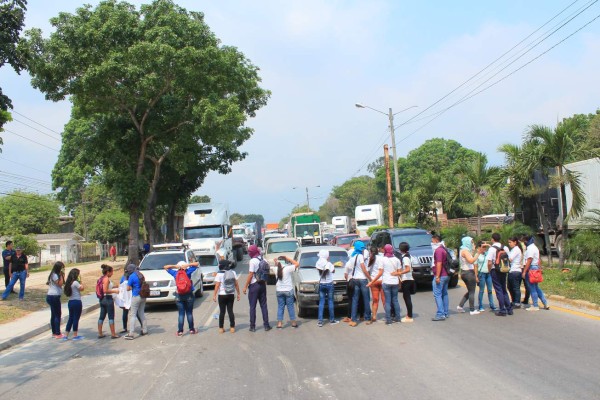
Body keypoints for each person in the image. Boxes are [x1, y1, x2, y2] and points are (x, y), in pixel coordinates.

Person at [165, 260, 199, 336]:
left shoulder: (175, 273)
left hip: (179, 295)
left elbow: (165, 267)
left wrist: (175, 266)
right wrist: (187, 265)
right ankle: (191, 330)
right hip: (189, 295)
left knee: (181, 314)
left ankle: (180, 331)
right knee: (189, 313)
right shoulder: (188, 272)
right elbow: (197, 264)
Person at [370, 244, 401, 325]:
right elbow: (399, 272)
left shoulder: (383, 260)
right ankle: (398, 318)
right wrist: (399, 283)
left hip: (386, 282)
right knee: (395, 300)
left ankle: (388, 320)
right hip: (395, 282)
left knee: (386, 301)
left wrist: (372, 281)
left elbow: (380, 273)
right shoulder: (397, 260)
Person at [243, 245, 271, 332]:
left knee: (252, 307)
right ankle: (266, 325)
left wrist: (245, 286)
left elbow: (251, 274)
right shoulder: (263, 259)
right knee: (263, 305)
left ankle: (252, 326)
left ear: (252, 252)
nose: (248, 253)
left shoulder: (252, 261)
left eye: (249, 251)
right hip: (262, 284)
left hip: (254, 286)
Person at [522, 235, 549, 311]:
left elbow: (529, 260)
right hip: (536, 268)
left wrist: (524, 271)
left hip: (531, 268)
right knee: (536, 287)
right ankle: (545, 303)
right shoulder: (535, 247)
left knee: (532, 287)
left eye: (525, 240)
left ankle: (535, 305)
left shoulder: (530, 249)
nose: (524, 242)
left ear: (527, 241)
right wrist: (540, 268)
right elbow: (539, 259)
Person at [348, 241, 372, 327]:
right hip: (362, 279)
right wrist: (370, 279)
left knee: (355, 299)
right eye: (362, 248)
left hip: (355, 279)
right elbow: (364, 269)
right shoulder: (360, 256)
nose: (363, 250)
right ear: (359, 248)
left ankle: (353, 319)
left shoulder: (352, 256)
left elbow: (349, 268)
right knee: (366, 299)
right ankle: (368, 318)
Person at [488, 233, 512, 316]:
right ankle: (509, 309)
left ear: (492, 239)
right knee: (504, 289)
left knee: (498, 290)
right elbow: (509, 259)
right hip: (504, 270)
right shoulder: (505, 247)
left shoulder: (491, 249)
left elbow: (489, 262)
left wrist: (489, 270)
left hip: (495, 270)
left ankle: (502, 310)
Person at [213, 259, 240, 333]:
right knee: (230, 311)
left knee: (222, 312)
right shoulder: (233, 272)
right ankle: (232, 327)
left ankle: (221, 328)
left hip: (222, 295)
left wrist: (214, 295)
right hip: (231, 294)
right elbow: (236, 284)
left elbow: (217, 285)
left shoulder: (219, 274)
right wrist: (238, 293)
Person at [456, 236, 481, 315]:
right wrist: (478, 253)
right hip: (469, 273)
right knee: (472, 292)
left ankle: (460, 306)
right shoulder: (465, 251)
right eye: (471, 242)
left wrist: (473, 251)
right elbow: (471, 261)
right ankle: (472, 310)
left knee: (470, 291)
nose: (473, 243)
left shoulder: (463, 250)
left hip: (464, 272)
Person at [274, 255, 299, 329]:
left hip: (279, 291)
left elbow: (275, 266)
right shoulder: (288, 268)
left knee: (280, 307)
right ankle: (293, 323)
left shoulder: (275, 269)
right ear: (285, 261)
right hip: (288, 290)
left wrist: (275, 262)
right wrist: (288, 258)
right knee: (290, 306)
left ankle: (279, 323)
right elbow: (297, 264)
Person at [125, 264, 148, 339]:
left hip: (136, 296)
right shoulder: (140, 274)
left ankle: (131, 333)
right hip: (143, 296)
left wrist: (132, 287)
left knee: (133, 314)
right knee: (141, 313)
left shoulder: (132, 276)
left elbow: (128, 288)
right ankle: (144, 330)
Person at [316, 250, 338, 327]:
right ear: (327, 256)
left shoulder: (318, 263)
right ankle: (332, 320)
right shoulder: (329, 264)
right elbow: (333, 271)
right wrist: (331, 265)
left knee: (321, 302)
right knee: (330, 301)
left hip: (321, 284)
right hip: (329, 284)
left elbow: (320, 271)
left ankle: (320, 321)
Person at [98, 264, 120, 339]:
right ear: (108, 272)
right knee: (111, 316)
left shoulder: (101, 278)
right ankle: (113, 334)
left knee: (102, 316)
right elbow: (105, 290)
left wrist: (115, 286)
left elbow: (106, 287)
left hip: (102, 299)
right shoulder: (106, 279)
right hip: (108, 299)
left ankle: (100, 333)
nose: (112, 273)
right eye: (111, 272)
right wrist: (114, 291)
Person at [431, 235, 450, 321]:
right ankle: (445, 312)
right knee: (444, 294)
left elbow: (439, 263)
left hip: (441, 275)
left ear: (435, 240)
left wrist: (437, 276)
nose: (431, 243)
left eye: (432, 241)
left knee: (437, 294)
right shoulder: (444, 249)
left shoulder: (438, 250)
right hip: (446, 275)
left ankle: (440, 314)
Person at [63, 268, 84, 340]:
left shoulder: (69, 283)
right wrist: (80, 281)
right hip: (77, 301)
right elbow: (82, 288)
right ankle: (75, 335)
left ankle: (66, 334)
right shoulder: (75, 283)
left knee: (71, 318)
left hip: (70, 302)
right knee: (76, 318)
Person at [46, 261, 65, 339]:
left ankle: (54, 332)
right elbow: (60, 284)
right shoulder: (54, 275)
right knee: (57, 314)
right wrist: (61, 275)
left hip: (52, 296)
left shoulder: (54, 274)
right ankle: (57, 333)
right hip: (54, 296)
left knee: (54, 315)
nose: (63, 270)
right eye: (62, 268)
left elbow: (63, 283)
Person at [476, 241, 496, 312]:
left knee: (490, 290)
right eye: (483, 247)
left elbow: (492, 248)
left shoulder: (487, 254)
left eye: (485, 247)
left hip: (488, 274)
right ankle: (480, 305)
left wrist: (487, 244)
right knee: (481, 290)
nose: (484, 248)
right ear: (479, 247)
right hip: (481, 274)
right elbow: (475, 266)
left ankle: (492, 305)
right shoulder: (477, 255)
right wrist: (476, 276)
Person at [397, 242, 415, 322]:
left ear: (400, 249)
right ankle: (409, 315)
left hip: (406, 279)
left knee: (407, 298)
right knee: (406, 297)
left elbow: (408, 269)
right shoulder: (409, 256)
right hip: (409, 278)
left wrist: (399, 273)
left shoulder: (405, 258)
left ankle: (409, 316)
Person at [366, 244, 384, 322]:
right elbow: (382, 271)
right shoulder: (381, 258)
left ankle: (374, 316)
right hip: (382, 280)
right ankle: (388, 316)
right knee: (384, 300)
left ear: (370, 252)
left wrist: (371, 280)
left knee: (375, 300)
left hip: (373, 281)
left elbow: (367, 271)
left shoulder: (370, 259)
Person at [507, 236, 523, 309]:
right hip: (512, 270)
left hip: (515, 271)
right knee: (510, 287)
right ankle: (514, 301)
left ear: (515, 242)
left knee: (515, 287)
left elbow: (510, 259)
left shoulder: (516, 250)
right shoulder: (513, 249)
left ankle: (517, 302)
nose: (509, 244)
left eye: (510, 242)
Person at [519, 235, 531, 305]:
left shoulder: (520, 246)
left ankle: (517, 299)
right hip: (526, 265)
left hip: (521, 266)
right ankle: (526, 299)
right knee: (527, 284)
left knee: (518, 284)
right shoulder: (528, 246)